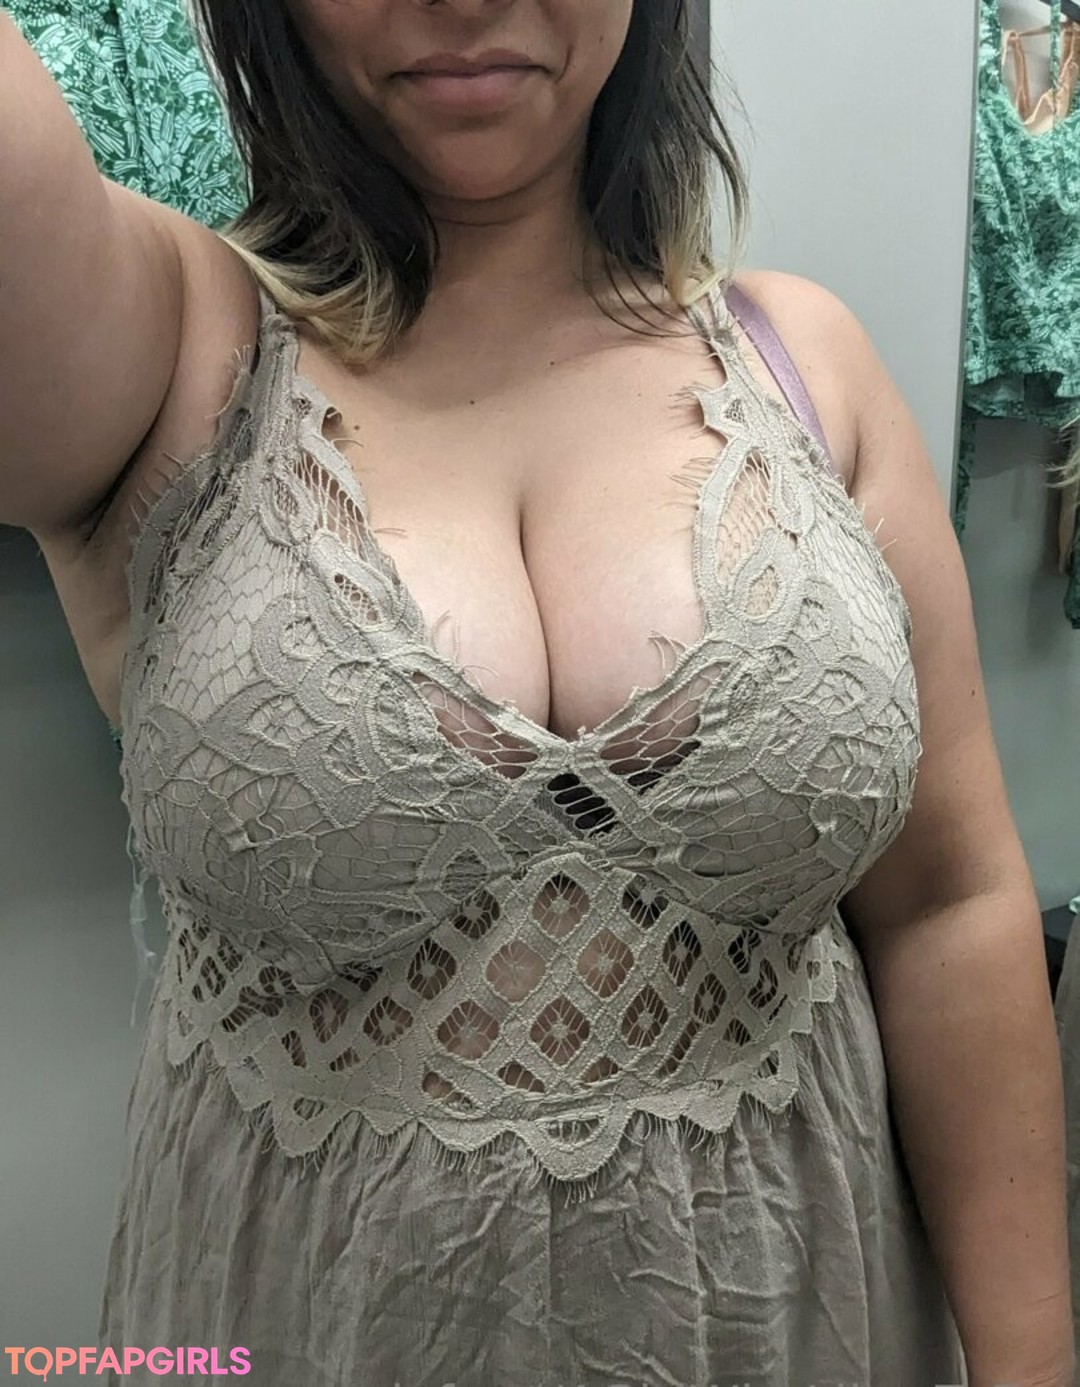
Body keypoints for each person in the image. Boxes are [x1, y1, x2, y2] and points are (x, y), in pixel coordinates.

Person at [0, 2, 1073, 1383]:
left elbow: (949, 906)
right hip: (309, 1325)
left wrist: (1033, 1365)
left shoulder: (808, 368)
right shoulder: (165, 359)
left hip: (791, 1317)